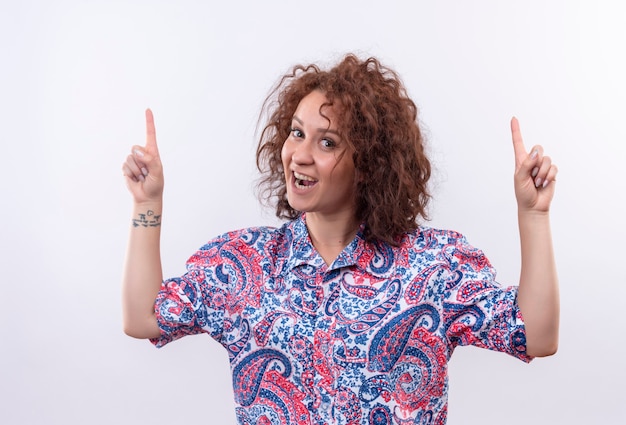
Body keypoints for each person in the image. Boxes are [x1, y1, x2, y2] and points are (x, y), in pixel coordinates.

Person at [121, 54, 559, 425]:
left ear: (368, 164)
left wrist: (534, 214)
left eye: (326, 141)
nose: (300, 154)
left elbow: (535, 335)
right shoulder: (245, 264)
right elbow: (144, 318)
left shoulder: (433, 266)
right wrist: (147, 205)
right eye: (296, 133)